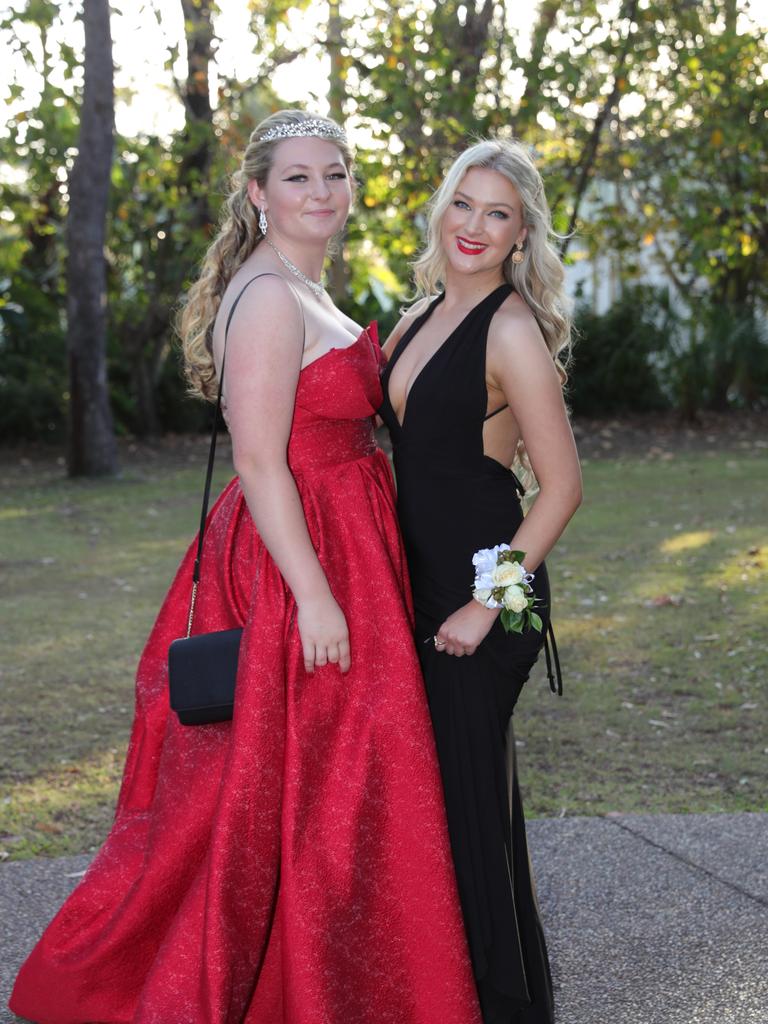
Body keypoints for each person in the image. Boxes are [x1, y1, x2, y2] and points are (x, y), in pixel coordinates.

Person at [10, 110, 482, 1024]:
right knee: (308, 785)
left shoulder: (302, 285)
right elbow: (261, 460)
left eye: (335, 174)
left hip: (343, 540)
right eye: (298, 178)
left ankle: (337, 983)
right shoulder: (268, 297)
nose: (321, 193)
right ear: (258, 195)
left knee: (330, 786)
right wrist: (312, 596)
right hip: (299, 556)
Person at [379, 138, 583, 1024]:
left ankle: (502, 1007)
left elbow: (562, 488)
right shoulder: (415, 315)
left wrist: (482, 604)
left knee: (467, 813)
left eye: (497, 213)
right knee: (438, 810)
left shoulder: (510, 328)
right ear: (442, 208)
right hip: (418, 592)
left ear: (519, 233)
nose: (475, 226)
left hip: (486, 596)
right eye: (465, 203)